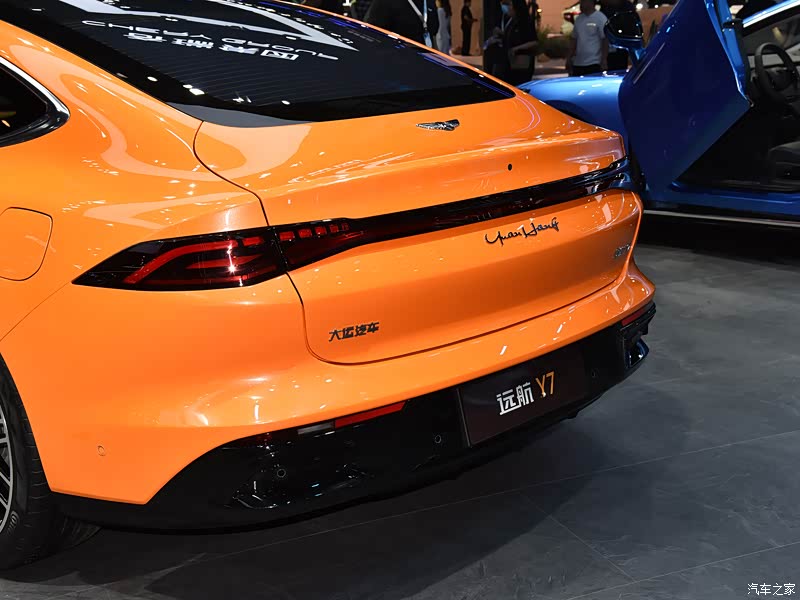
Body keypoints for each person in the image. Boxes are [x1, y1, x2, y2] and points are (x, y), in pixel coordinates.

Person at [484, 0, 537, 84]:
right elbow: (509, 37)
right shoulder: (511, 21)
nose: (509, 8)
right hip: (509, 62)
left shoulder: (525, 22)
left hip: (521, 63)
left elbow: (533, 41)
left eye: (511, 6)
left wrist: (516, 49)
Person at [366, 0, 440, 46]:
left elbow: (433, 31)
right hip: (395, 59)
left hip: (425, 60)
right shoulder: (386, 2)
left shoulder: (429, 2)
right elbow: (371, 35)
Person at [566, 0, 608, 76]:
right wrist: (569, 58)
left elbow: (604, 40)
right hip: (578, 63)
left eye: (583, 2)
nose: (581, 5)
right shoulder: (579, 19)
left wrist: (604, 59)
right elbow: (574, 39)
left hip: (594, 63)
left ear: (591, 2)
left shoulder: (600, 18)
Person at [600, 0, 633, 71]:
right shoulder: (604, 9)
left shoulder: (626, 7)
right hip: (610, 46)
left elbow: (630, 27)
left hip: (621, 44)